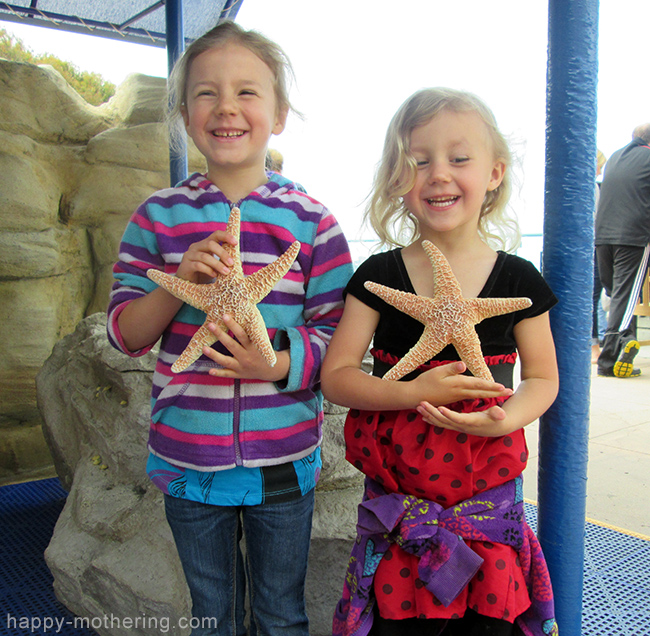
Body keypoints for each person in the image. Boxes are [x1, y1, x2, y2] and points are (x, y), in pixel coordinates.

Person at [107, 21, 352, 636]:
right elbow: (125, 333)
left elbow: (339, 334)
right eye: (206, 93)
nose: (226, 107)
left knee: (280, 611)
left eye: (247, 92)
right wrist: (174, 280)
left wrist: (277, 362)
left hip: (283, 454)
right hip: (187, 454)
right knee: (211, 613)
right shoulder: (158, 217)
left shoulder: (312, 223)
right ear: (185, 114)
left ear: (279, 114)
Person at [322, 88, 559, 636]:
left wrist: (506, 415)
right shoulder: (378, 276)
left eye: (459, 158)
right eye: (417, 160)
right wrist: (407, 392)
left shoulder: (518, 280)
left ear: (494, 173)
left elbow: (543, 379)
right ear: (395, 178)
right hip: (399, 500)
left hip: (487, 498)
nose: (438, 174)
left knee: (488, 622)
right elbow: (337, 376)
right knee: (399, 624)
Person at [595, 124, 650, 378]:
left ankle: (625, 339)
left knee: (615, 294)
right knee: (626, 299)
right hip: (634, 237)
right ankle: (609, 361)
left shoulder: (616, 156)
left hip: (603, 237)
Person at [591, 149, 608, 364]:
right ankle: (595, 345)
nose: (600, 171)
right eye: (600, 166)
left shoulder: (597, 187)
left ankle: (600, 341)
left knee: (599, 297)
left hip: (598, 245)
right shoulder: (590, 188)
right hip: (594, 247)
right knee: (594, 297)